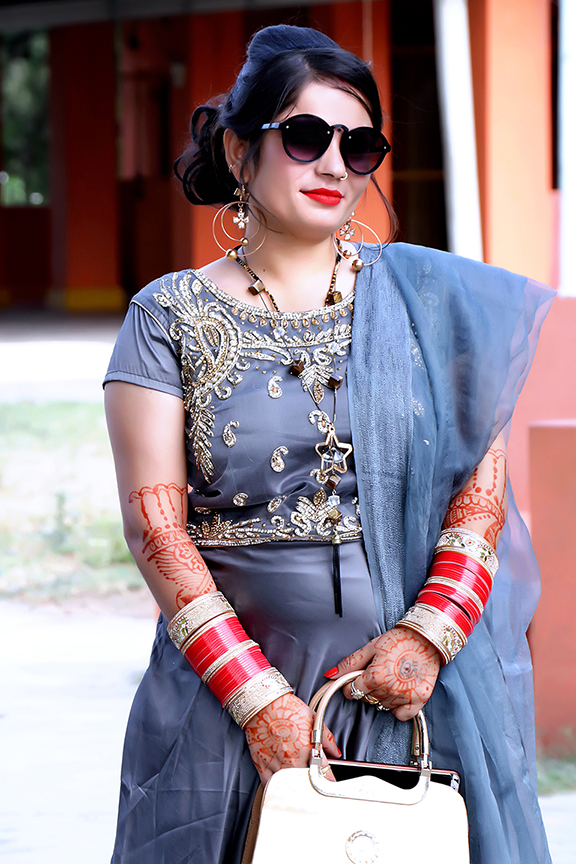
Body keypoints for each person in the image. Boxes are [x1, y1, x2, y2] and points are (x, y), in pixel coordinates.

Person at [104, 23, 554, 864]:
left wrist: (427, 637)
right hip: (230, 701)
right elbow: (155, 529)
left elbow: (480, 492)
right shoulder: (168, 317)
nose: (335, 164)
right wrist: (259, 701)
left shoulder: (430, 305)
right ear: (240, 151)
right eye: (307, 136)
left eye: (360, 145)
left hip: (415, 693)